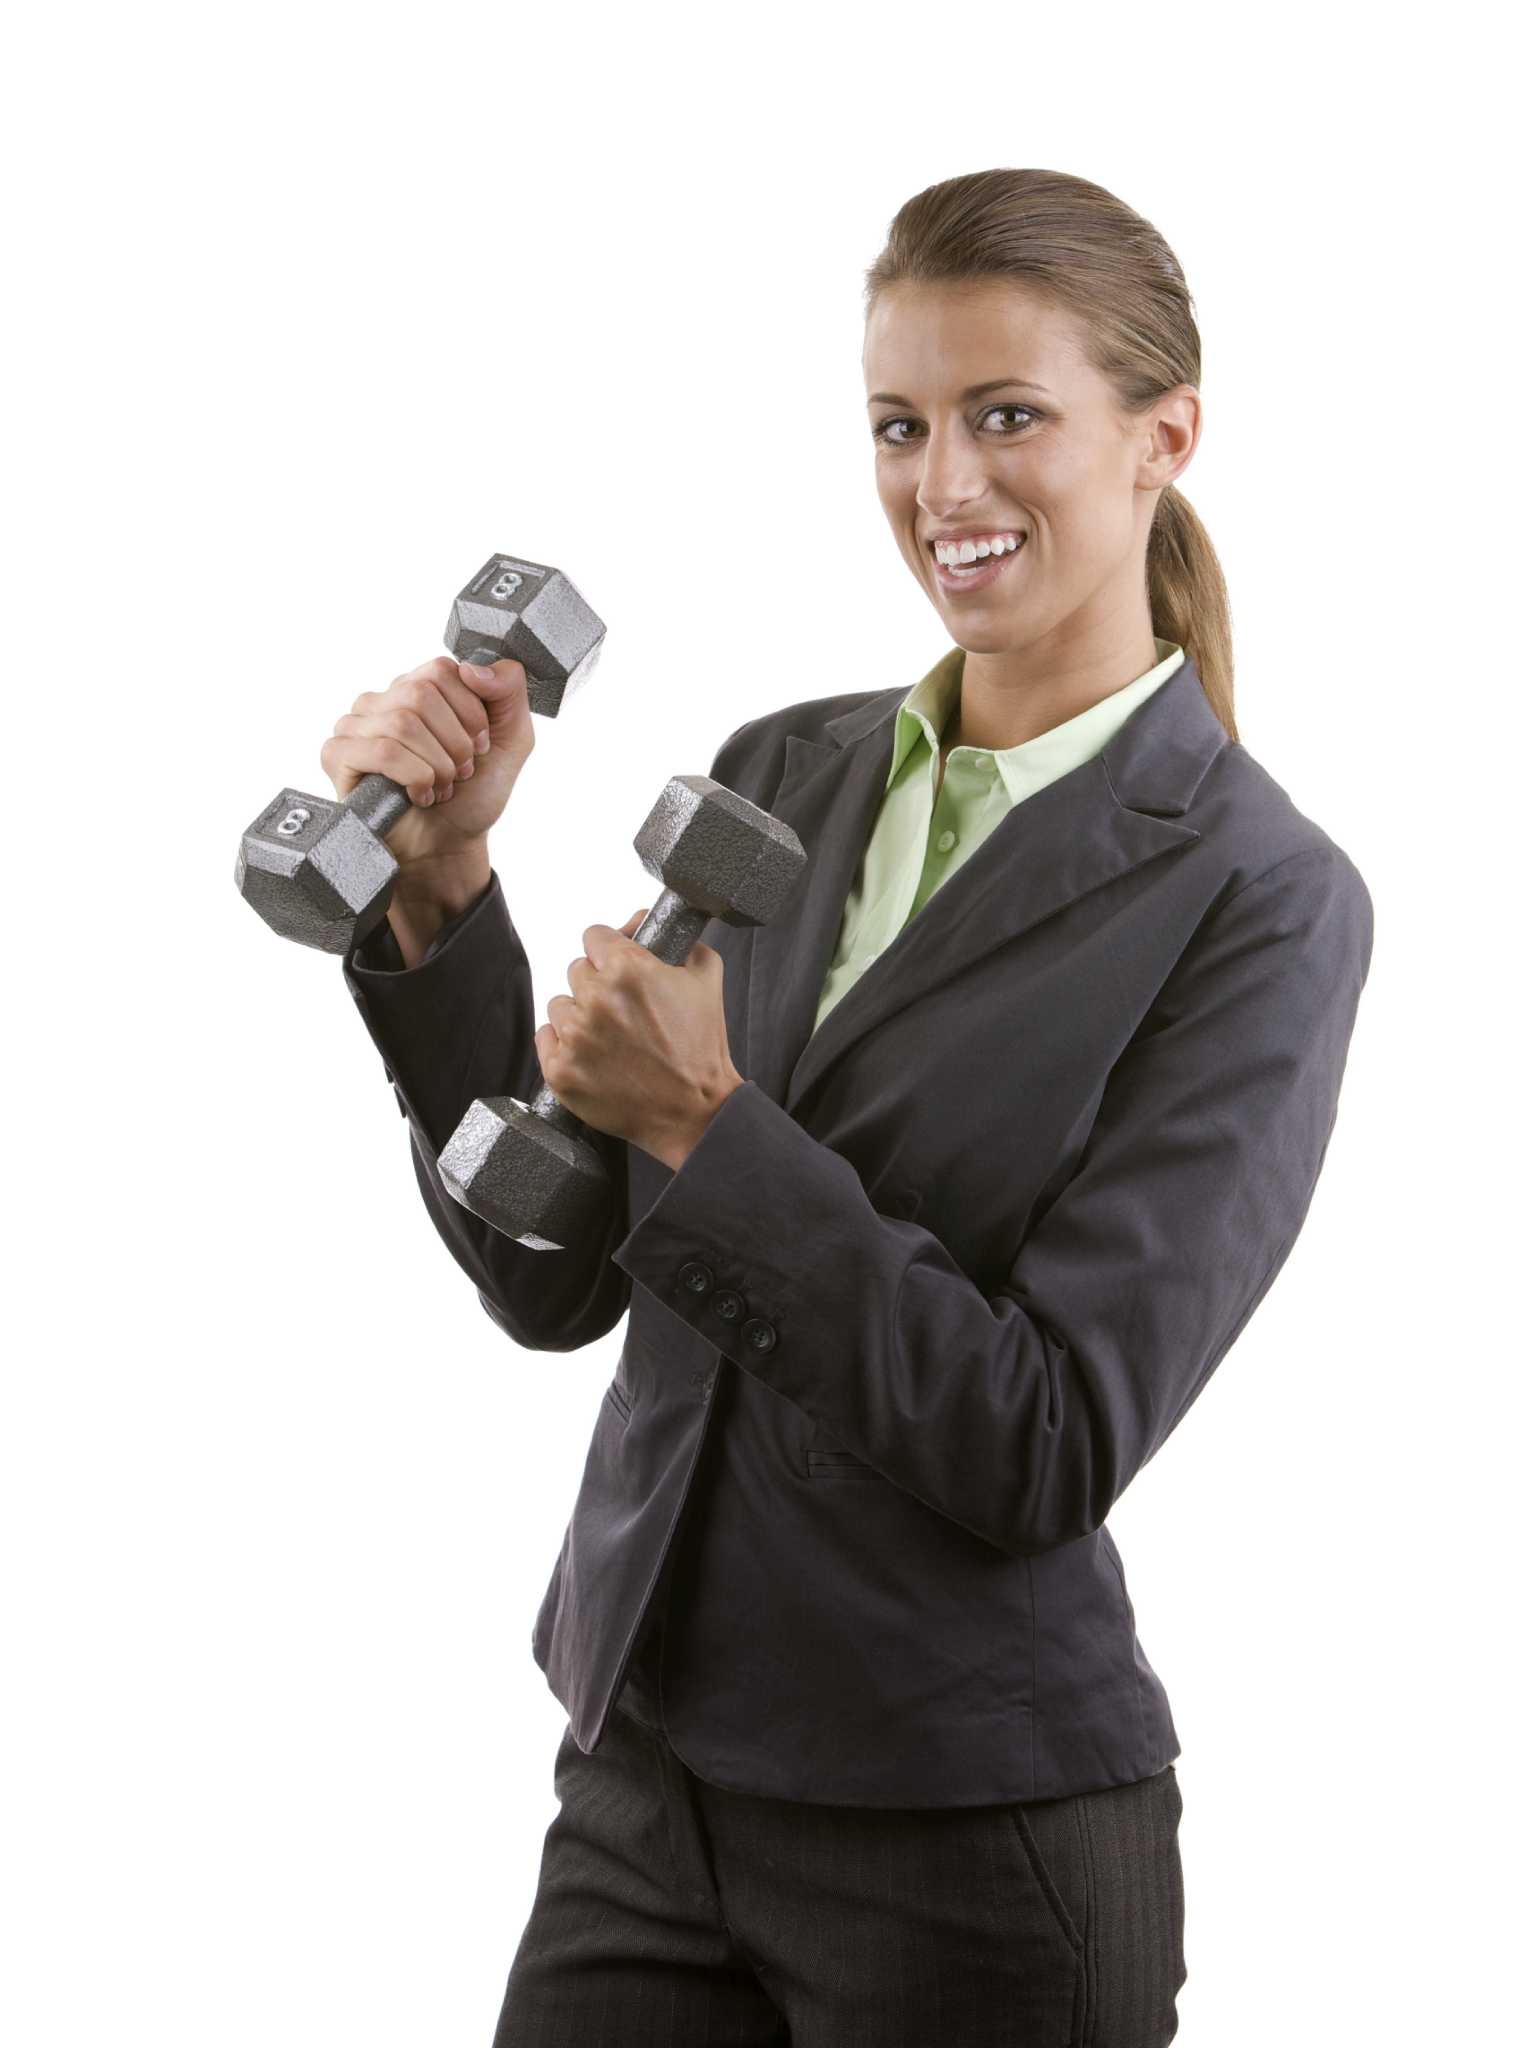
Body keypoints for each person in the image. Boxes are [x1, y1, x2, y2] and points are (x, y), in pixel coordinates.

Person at [331, 167, 1373, 2046]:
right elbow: (553, 1277)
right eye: (900, 426)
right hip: (644, 1779)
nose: (943, 486)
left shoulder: (1259, 898)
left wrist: (707, 1123)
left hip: (966, 1841)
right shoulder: (787, 771)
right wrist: (443, 893)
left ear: (1165, 439)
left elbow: (1043, 1437)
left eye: (1007, 416)